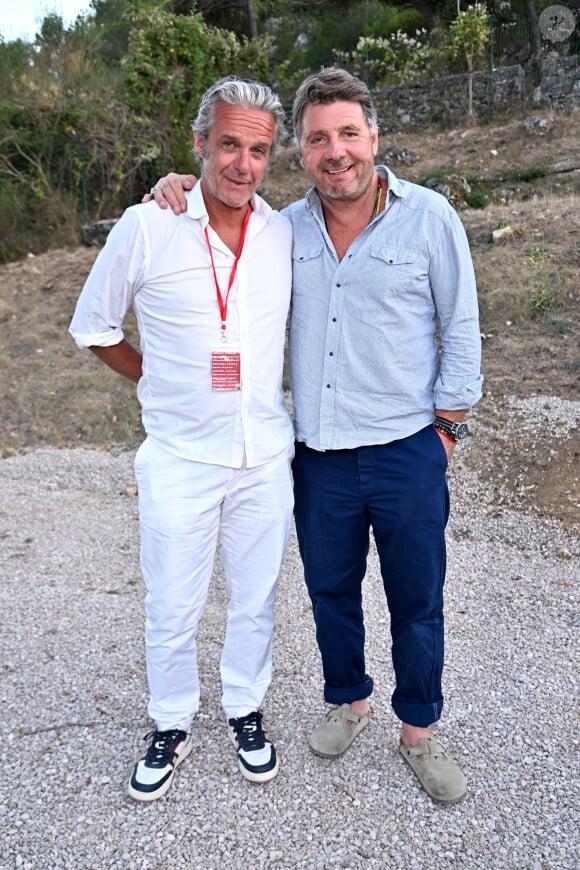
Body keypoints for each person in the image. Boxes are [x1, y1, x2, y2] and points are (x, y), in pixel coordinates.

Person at [147, 67, 483, 805]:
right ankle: (350, 699)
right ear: (301, 150)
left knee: (417, 596)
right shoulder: (279, 230)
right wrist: (173, 186)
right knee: (331, 591)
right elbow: (214, 210)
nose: (337, 152)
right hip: (319, 456)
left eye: (349, 135)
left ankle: (420, 730)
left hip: (407, 452)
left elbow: (460, 331)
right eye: (320, 138)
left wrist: (447, 435)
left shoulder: (430, 220)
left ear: (374, 138)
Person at [69, 77, 295, 801]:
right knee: (172, 603)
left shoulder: (283, 232)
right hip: (178, 458)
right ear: (199, 146)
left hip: (264, 455)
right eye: (228, 144)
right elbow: (94, 327)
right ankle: (170, 721)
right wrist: (154, 381)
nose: (242, 163)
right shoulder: (148, 225)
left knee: (256, 599)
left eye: (257, 149)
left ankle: (243, 709)